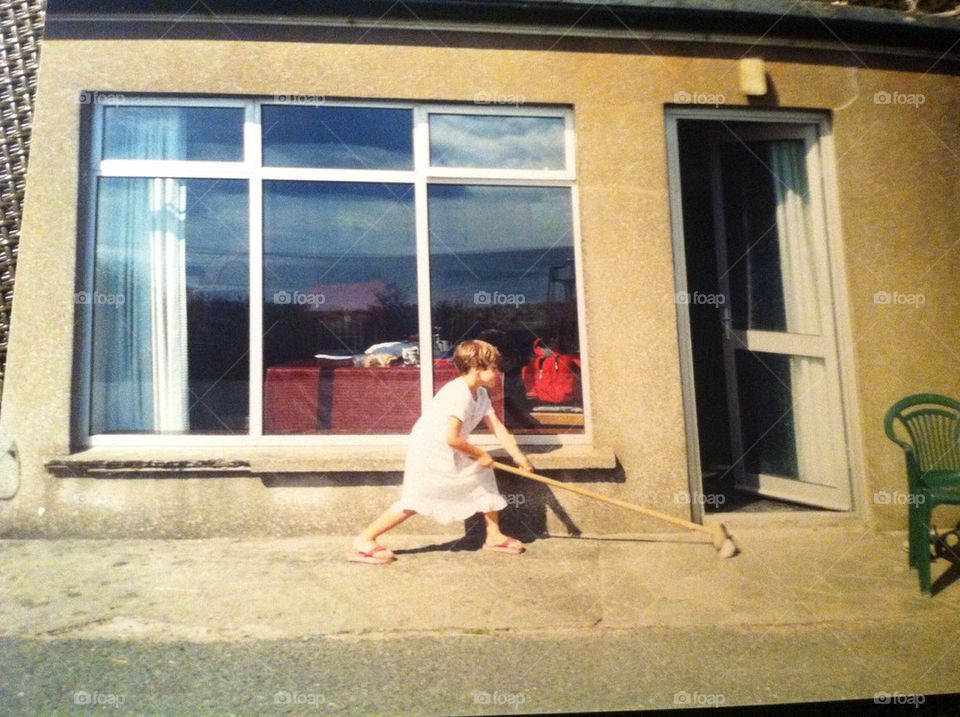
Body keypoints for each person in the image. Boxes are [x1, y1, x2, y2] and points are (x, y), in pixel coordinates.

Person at [350, 339, 534, 564]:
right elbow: (452, 437)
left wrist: (518, 456)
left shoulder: (481, 394)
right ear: (477, 370)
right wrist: (480, 454)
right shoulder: (459, 394)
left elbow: (496, 426)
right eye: (494, 368)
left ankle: (494, 536)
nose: (498, 372)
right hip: (430, 451)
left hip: (452, 448)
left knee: (483, 476)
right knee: (416, 500)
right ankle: (364, 540)